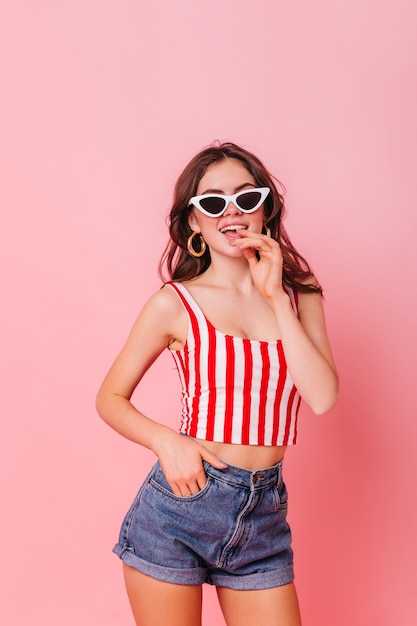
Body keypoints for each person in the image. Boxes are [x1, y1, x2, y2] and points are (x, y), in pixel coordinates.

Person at [96, 142, 338, 626]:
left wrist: (273, 294)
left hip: (264, 513)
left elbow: (322, 396)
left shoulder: (298, 293)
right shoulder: (174, 304)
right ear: (193, 222)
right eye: (212, 202)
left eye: (247, 198)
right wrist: (167, 442)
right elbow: (109, 398)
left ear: (265, 209)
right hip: (179, 506)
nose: (231, 211)